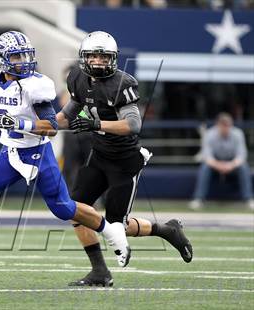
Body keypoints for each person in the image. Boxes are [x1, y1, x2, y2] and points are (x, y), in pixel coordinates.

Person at [0, 31, 133, 276]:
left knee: (64, 208)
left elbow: (52, 128)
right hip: (10, 152)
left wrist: (18, 124)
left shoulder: (35, 85)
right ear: (2, 58)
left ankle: (112, 232)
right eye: (16, 57)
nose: (23, 61)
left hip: (36, 153)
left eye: (26, 55)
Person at [56, 31, 193, 287]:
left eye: (103, 56)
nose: (98, 61)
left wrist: (96, 123)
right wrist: (31, 125)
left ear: (113, 59)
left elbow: (133, 124)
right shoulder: (76, 78)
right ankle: (99, 271)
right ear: (84, 58)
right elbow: (64, 117)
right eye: (93, 56)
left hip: (124, 160)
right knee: (75, 210)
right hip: (99, 154)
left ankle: (167, 230)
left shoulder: (123, 82)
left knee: (118, 226)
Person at [189, 113, 254, 210]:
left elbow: (242, 156)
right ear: (217, 125)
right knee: (205, 167)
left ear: (231, 125)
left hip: (232, 165)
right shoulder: (209, 134)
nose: (225, 128)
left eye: (227, 125)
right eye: (223, 125)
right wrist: (219, 165)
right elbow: (207, 156)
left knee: (244, 167)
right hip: (215, 165)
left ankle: (248, 199)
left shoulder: (238, 133)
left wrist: (230, 165)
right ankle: (199, 199)